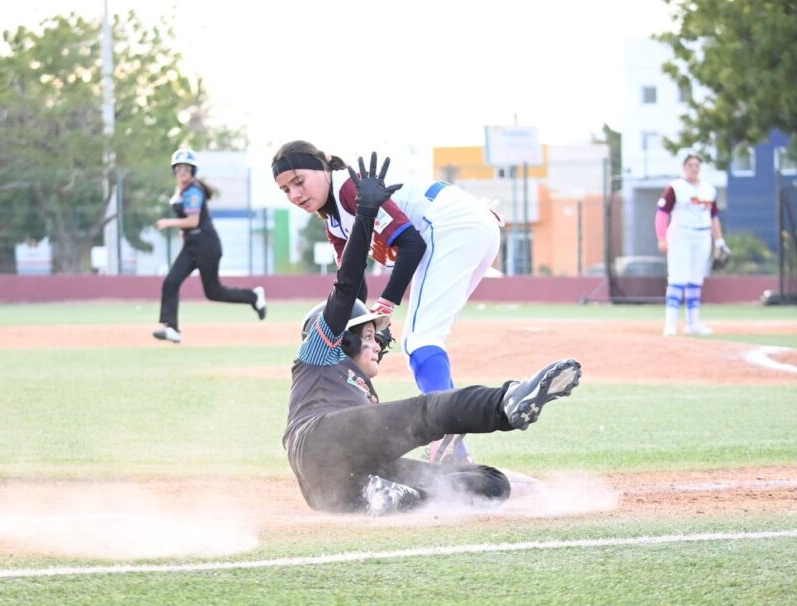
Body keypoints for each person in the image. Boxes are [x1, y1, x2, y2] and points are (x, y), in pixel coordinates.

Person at [285, 152, 582, 516]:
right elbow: (348, 288)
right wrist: (365, 217)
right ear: (340, 338)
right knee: (421, 360)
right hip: (320, 444)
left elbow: (356, 287)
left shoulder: (360, 390)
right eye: (365, 336)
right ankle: (503, 404)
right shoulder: (316, 353)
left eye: (298, 181)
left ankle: (396, 495)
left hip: (334, 485)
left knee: (485, 484)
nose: (376, 343)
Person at [273, 140, 503, 464]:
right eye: (285, 190)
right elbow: (352, 287)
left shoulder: (348, 189)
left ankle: (448, 436)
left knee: (420, 340)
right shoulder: (334, 219)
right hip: (471, 225)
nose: (295, 194)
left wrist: (388, 303)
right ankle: (454, 449)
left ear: (324, 167)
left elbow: (412, 244)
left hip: (452, 224)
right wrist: (358, 331)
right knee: (425, 337)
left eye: (299, 181)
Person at [153, 148, 267, 343]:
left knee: (213, 292)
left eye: (186, 168)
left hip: (206, 245)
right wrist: (183, 234)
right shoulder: (181, 190)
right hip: (191, 245)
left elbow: (193, 221)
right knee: (171, 281)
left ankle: (254, 297)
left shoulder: (194, 191)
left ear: (193, 171)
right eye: (178, 168)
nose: (182, 171)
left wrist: (168, 223)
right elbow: (188, 224)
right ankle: (172, 328)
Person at [655, 153, 731, 336]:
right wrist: (662, 237)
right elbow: (662, 214)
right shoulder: (675, 187)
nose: (694, 168)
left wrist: (719, 241)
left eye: (696, 165)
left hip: (702, 236)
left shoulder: (708, 189)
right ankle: (671, 323)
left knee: (696, 279)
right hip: (680, 235)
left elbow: (713, 217)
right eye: (690, 164)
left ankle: (693, 322)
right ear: (684, 167)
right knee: (677, 279)